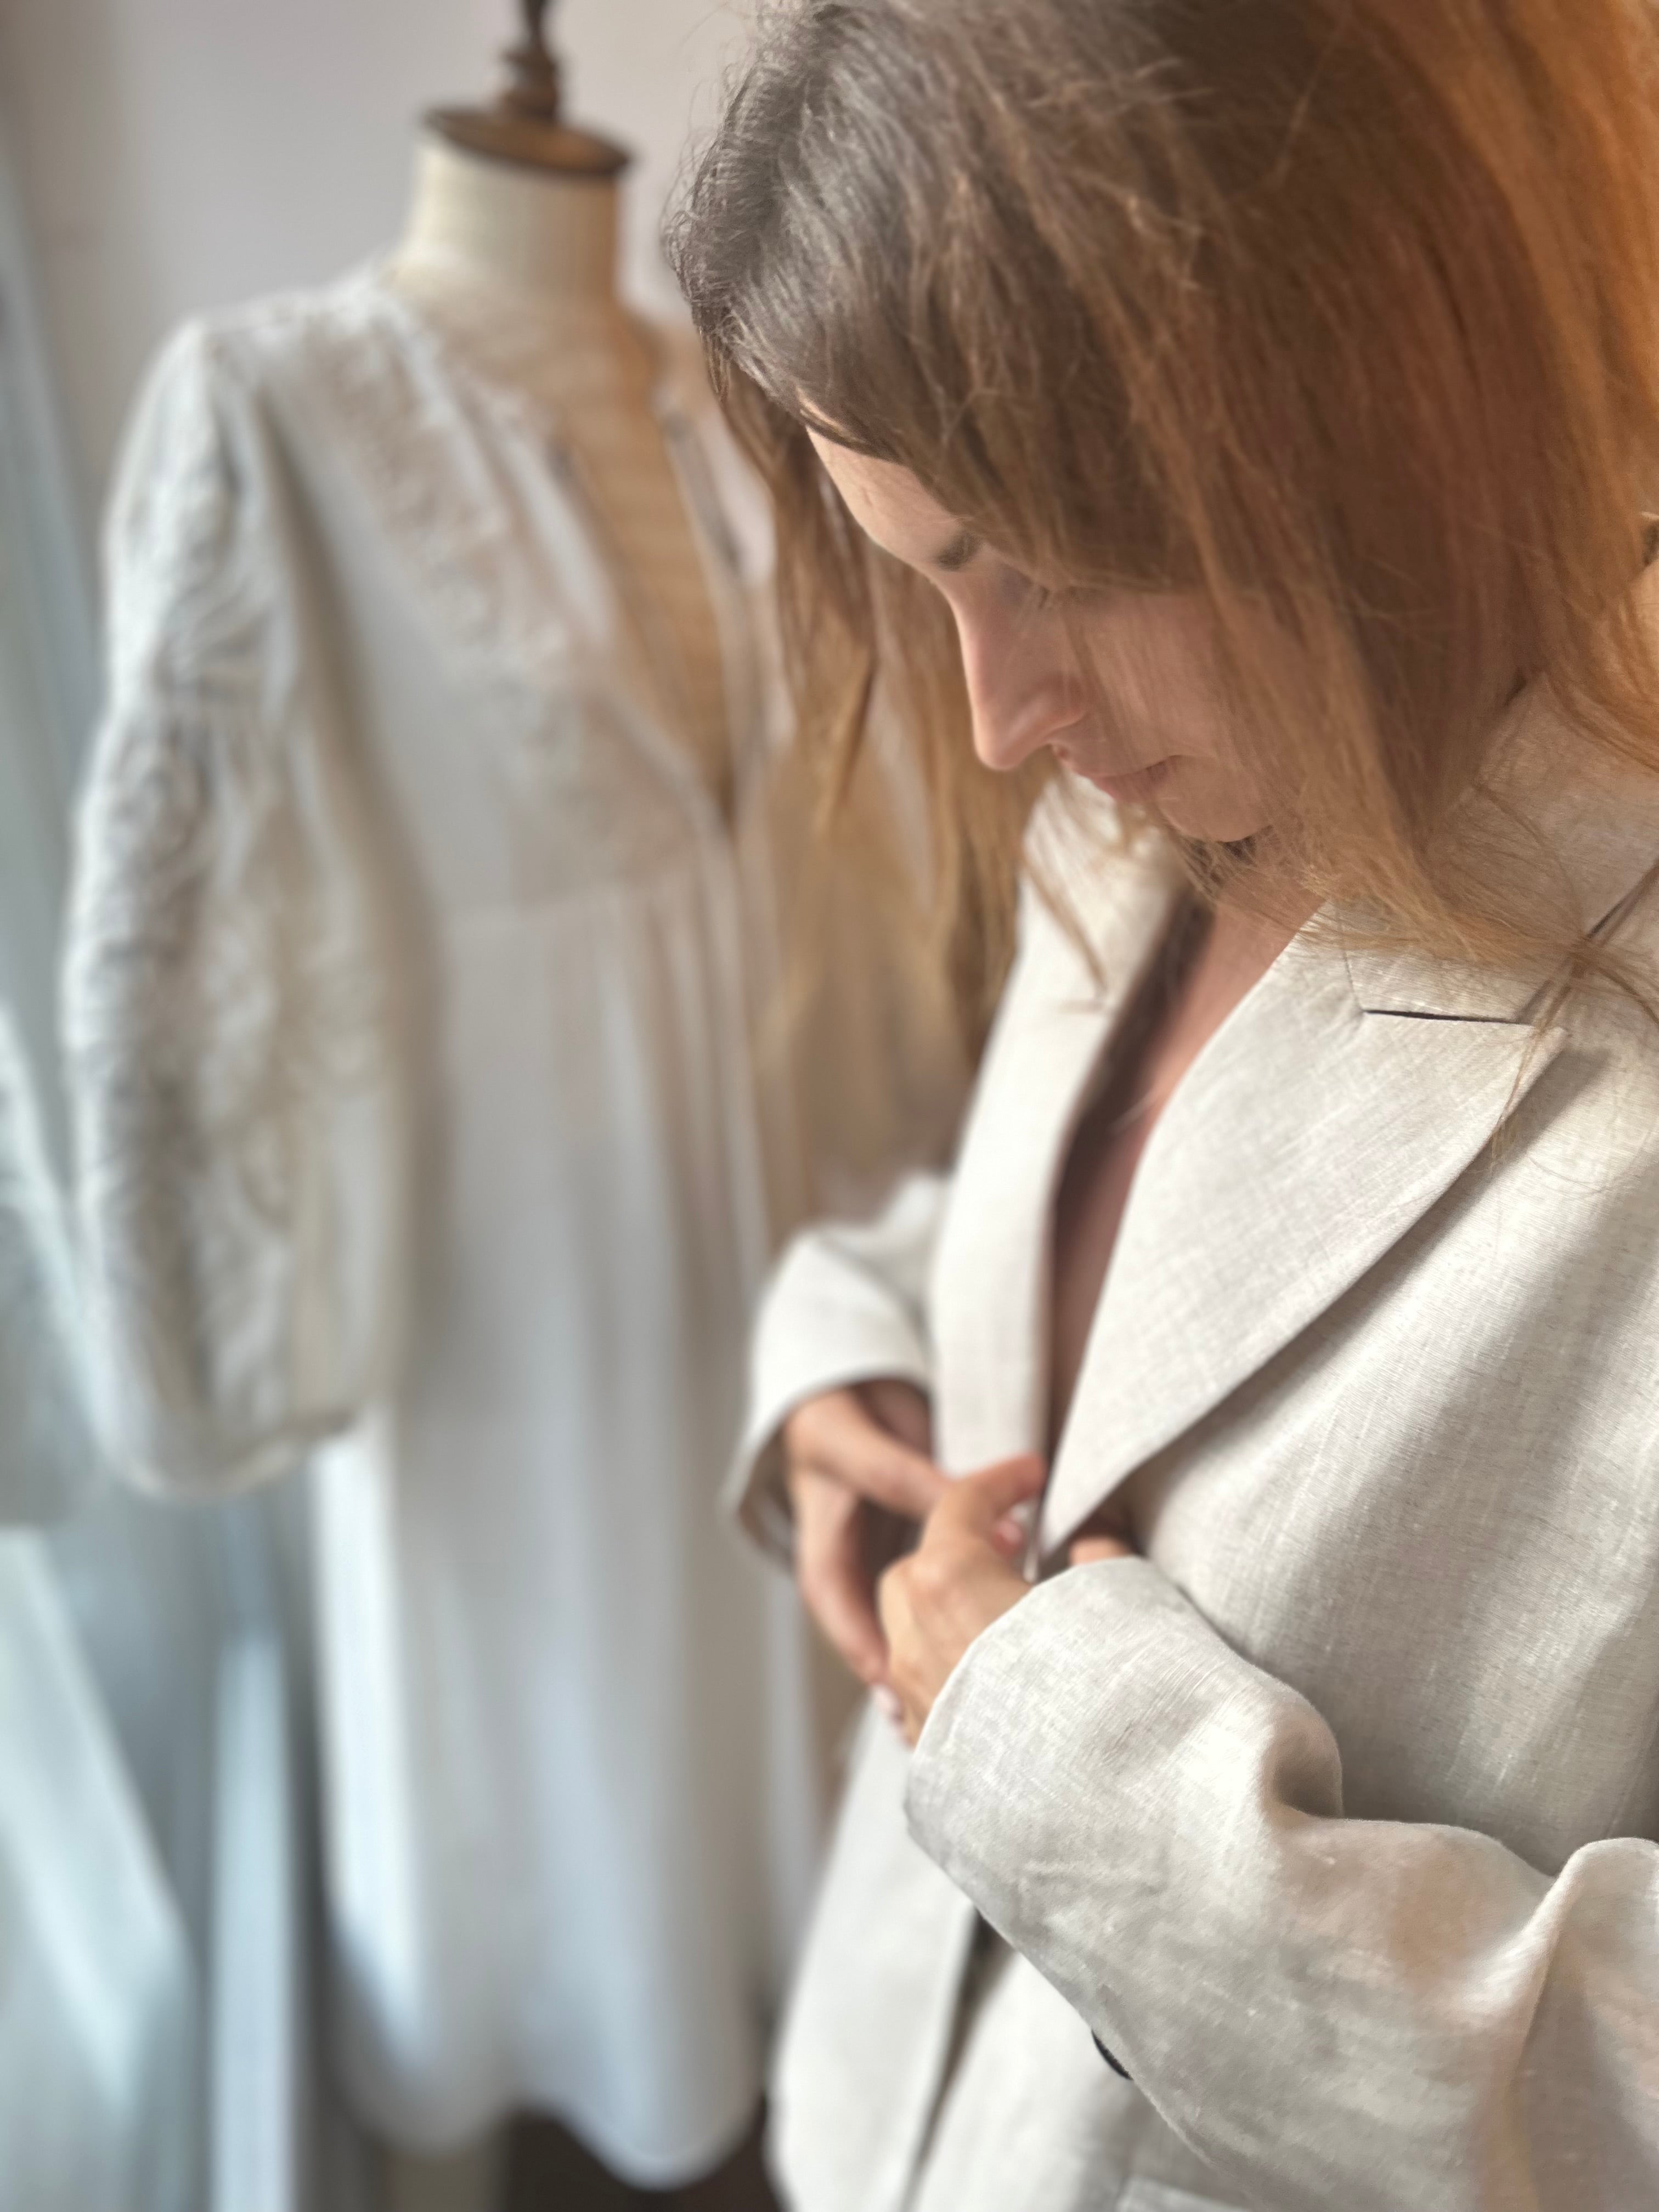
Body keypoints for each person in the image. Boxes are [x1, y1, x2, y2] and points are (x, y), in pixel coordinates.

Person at [664, 2, 1659, 2207]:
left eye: (1066, 560)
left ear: (1411, 387)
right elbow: (1140, 1274)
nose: (1001, 715)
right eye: (929, 569)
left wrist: (1072, 1782)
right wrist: (863, 1361)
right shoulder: (1147, 815)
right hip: (889, 2109)